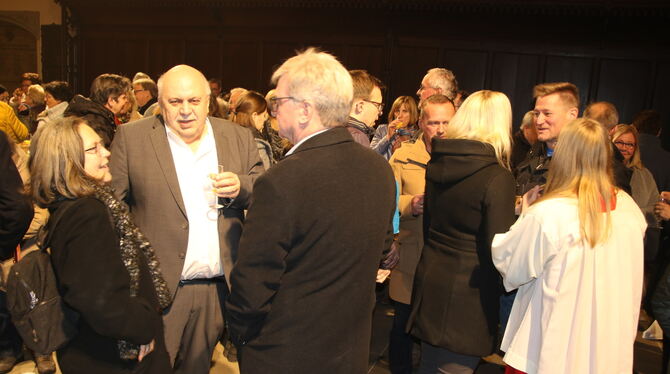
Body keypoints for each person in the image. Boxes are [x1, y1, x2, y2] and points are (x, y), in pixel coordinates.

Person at [225, 48, 396, 374]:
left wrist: (242, 337)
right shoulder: (378, 168)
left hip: (285, 353)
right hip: (350, 349)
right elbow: (383, 248)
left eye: (279, 101)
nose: (273, 109)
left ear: (305, 110)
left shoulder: (282, 180)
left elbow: (254, 283)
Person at [109, 64, 263, 374]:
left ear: (209, 101)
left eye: (193, 101)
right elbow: (113, 209)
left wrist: (242, 187)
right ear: (159, 102)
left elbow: (263, 185)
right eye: (175, 102)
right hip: (158, 291)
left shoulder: (237, 136)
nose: (185, 111)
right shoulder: (131, 138)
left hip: (217, 290)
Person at [492, 118, 646, 374]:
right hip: (608, 344)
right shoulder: (630, 209)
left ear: (563, 155)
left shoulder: (550, 212)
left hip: (553, 345)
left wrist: (525, 215)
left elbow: (511, 264)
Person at [28, 117, 173, 373]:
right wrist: (143, 329)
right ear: (67, 160)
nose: (106, 153)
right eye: (93, 149)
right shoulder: (86, 213)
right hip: (112, 357)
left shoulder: (72, 206)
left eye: (102, 145)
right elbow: (99, 301)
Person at [407, 90, 515, 374]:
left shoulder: (438, 163)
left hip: (431, 282)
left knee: (429, 367)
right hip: (469, 299)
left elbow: (431, 224)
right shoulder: (497, 177)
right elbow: (499, 248)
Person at [387, 94, 455, 374]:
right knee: (402, 325)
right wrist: (409, 204)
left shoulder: (462, 158)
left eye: (446, 122)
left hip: (447, 258)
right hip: (410, 253)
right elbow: (387, 200)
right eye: (434, 122)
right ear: (422, 122)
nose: (440, 129)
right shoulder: (402, 156)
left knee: (437, 329)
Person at [611, 124, 659, 228]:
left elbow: (655, 207)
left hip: (637, 231)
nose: (624, 148)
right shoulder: (602, 171)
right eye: (619, 142)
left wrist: (632, 215)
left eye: (630, 144)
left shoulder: (644, 174)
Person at [65, 73, 132, 147]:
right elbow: (104, 154)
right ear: (111, 101)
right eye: (124, 97)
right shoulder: (97, 124)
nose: (126, 101)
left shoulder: (95, 116)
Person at [230, 90, 278, 170]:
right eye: (263, 115)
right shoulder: (256, 143)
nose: (264, 119)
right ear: (254, 115)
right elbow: (263, 175)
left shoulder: (229, 133)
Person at [371, 95, 420, 160]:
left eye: (405, 111)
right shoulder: (382, 129)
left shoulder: (417, 134)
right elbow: (371, 155)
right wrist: (388, 137)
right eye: (397, 111)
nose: (400, 115)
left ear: (412, 114)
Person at [346, 69, 384, 146]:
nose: (380, 112)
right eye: (377, 105)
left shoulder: (329, 129)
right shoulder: (357, 137)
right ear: (360, 106)